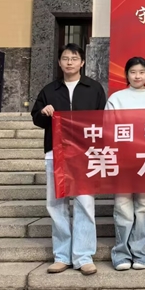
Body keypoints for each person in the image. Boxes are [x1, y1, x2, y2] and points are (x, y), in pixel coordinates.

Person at [31, 43, 106, 276]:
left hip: (85, 154)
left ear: (82, 62)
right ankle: (62, 256)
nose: (69, 62)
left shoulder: (93, 88)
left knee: (85, 203)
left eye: (74, 58)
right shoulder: (50, 90)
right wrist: (44, 113)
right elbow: (36, 118)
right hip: (56, 153)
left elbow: (103, 120)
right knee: (56, 204)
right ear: (59, 62)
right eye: (65, 58)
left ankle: (83, 256)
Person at [105, 57, 145, 271]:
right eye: (133, 72)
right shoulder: (116, 99)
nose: (137, 76)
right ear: (126, 74)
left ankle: (140, 251)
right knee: (122, 207)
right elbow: (108, 130)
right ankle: (121, 253)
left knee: (144, 206)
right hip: (123, 160)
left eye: (141, 72)